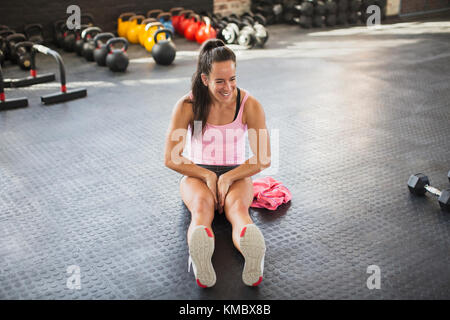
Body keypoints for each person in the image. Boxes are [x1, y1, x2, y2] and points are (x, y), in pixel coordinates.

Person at [164, 39, 271, 288]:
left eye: (232, 79)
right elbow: (171, 157)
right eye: (220, 81)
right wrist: (209, 176)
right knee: (201, 210)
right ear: (204, 79)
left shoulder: (249, 104)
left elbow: (263, 157)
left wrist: (228, 177)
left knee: (238, 212)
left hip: (236, 173)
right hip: (197, 174)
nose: (228, 87)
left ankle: (253, 255)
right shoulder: (187, 105)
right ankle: (201, 259)